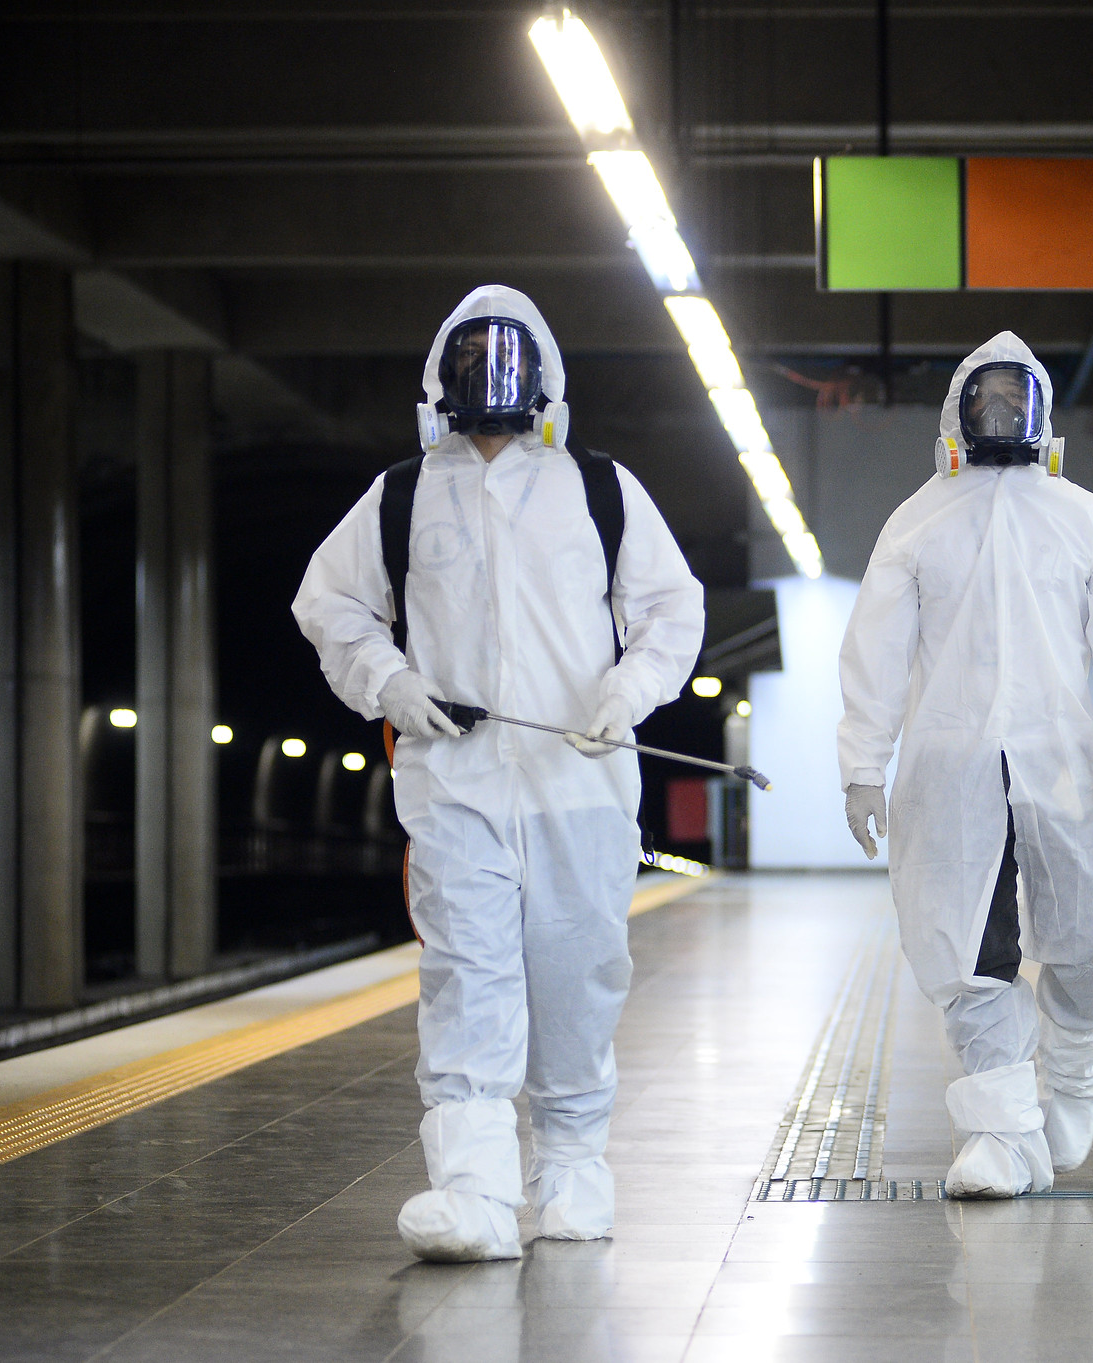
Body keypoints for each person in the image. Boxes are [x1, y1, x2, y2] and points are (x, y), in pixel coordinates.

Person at [293, 285, 704, 1261]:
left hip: (582, 787)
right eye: (470, 359)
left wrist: (628, 690)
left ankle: (569, 1169)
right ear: (439, 377)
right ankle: (473, 1190)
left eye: (507, 359)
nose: (490, 379)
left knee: (575, 979)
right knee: (466, 979)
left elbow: (670, 607)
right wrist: (389, 679)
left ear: (546, 378)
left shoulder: (596, 487)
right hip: (456, 791)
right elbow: (328, 603)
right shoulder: (402, 495)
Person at [838, 332, 1093, 1198]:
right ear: (957, 409)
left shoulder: (1087, 520)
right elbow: (874, 654)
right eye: (982, 397)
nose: (998, 414)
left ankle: (1075, 1070)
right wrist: (862, 764)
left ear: (1042, 411)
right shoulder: (916, 522)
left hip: (1059, 757)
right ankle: (1000, 1135)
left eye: (1012, 397)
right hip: (951, 770)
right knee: (966, 946)